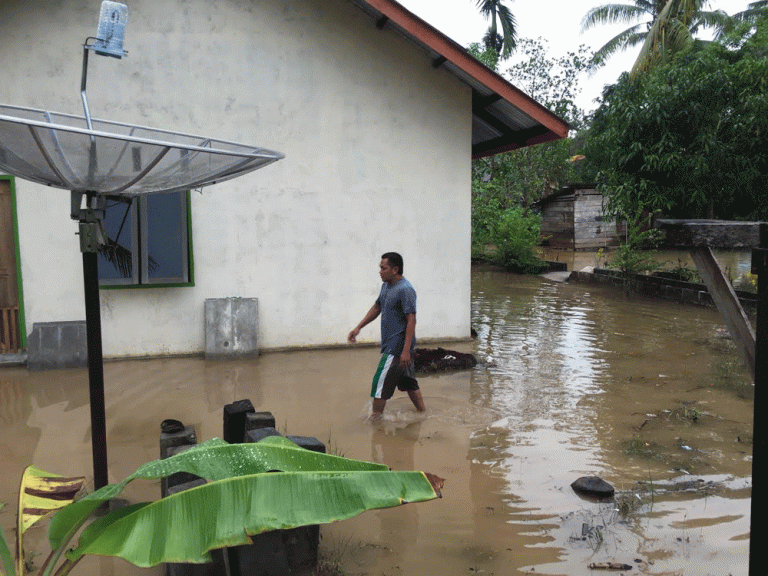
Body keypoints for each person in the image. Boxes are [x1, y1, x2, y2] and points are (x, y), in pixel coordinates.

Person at [348, 252, 426, 418]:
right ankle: (423, 415)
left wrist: (406, 351)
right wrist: (358, 327)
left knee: (379, 385)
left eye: (383, 268)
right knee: (408, 382)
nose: (380, 271)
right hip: (395, 346)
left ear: (395, 269)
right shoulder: (386, 286)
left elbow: (411, 320)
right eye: (380, 268)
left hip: (397, 348)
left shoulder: (405, 289)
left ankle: (376, 423)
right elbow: (377, 307)